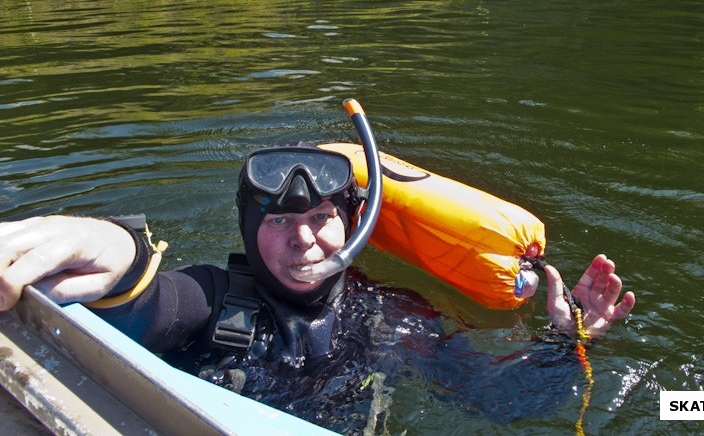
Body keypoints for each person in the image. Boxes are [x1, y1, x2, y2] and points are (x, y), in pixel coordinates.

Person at [0, 144, 635, 430]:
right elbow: (143, 304)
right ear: (249, 230)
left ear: (353, 226)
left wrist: (563, 339)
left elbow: (494, 400)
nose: (303, 241)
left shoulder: (390, 316)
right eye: (277, 221)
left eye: (319, 219)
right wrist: (113, 244)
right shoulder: (216, 298)